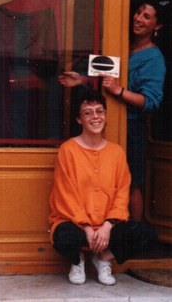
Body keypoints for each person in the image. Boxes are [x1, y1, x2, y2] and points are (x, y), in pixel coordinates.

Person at [59, 0, 166, 222]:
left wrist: (119, 91)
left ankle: (133, 235)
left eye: (146, 17)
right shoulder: (121, 44)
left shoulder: (154, 58)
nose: (138, 19)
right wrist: (82, 80)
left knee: (131, 182)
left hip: (131, 131)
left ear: (157, 26)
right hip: (104, 127)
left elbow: (151, 102)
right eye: (138, 13)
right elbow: (104, 80)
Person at [48, 88, 131, 285]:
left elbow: (122, 192)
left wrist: (108, 225)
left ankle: (103, 259)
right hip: (77, 225)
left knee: (145, 234)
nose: (96, 117)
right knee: (63, 236)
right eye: (88, 112)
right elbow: (65, 194)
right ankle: (78, 260)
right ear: (79, 119)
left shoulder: (116, 152)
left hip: (105, 227)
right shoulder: (68, 150)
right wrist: (86, 227)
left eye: (99, 111)